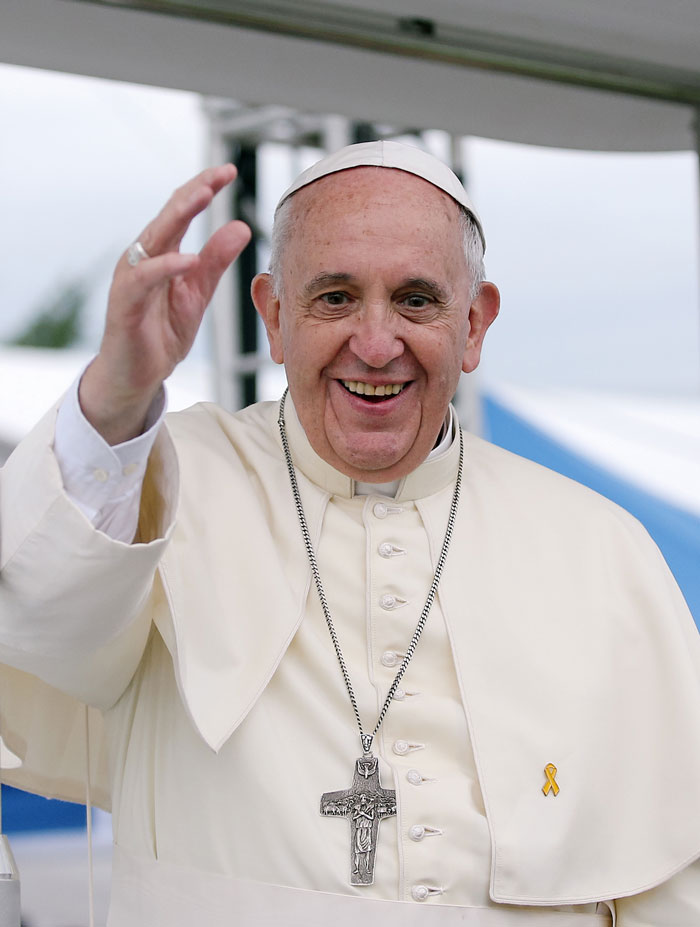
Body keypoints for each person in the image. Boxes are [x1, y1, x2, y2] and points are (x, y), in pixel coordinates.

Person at [1, 141, 700, 926]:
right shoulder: (162, 480)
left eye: (416, 300)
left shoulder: (599, 548)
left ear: (473, 324)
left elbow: (671, 881)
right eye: (334, 297)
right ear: (271, 315)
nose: (375, 344)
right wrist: (117, 396)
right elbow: (38, 616)